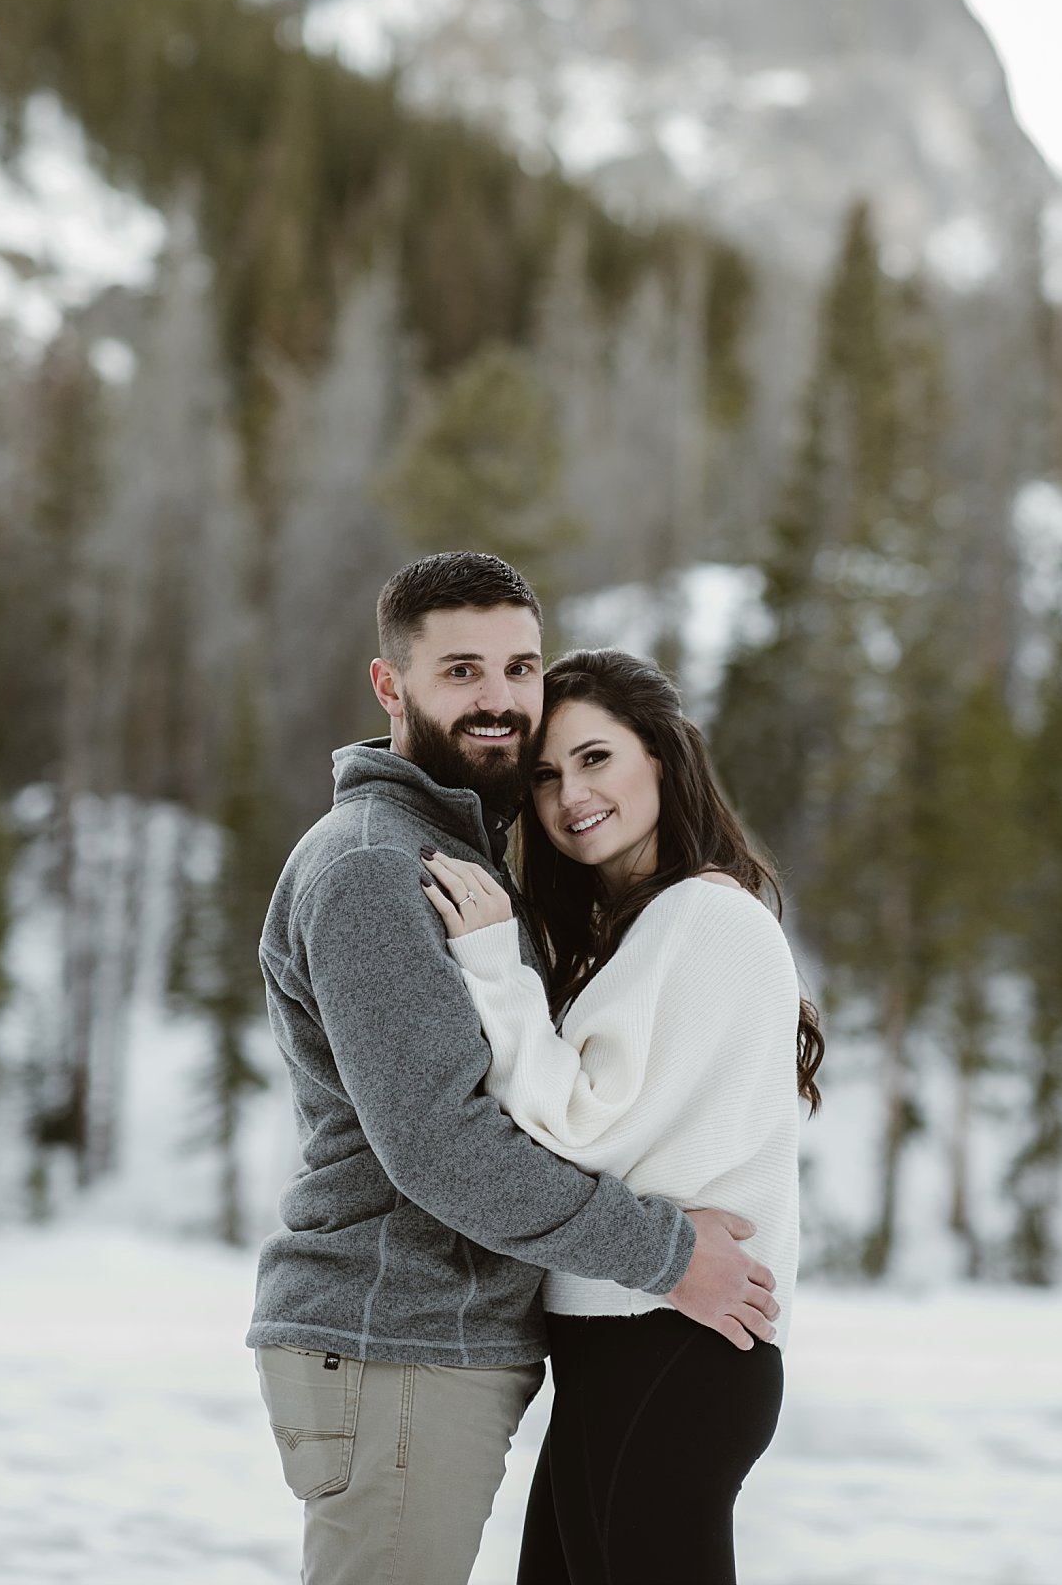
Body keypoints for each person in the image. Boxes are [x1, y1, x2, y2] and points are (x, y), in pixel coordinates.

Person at [248, 553, 780, 1585]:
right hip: (393, 1335)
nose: (498, 698)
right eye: (460, 670)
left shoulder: (455, 854)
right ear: (389, 685)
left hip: (435, 1341)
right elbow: (440, 1145)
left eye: (518, 666)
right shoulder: (376, 866)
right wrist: (666, 1251)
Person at [421, 646, 823, 1585]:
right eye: (549, 775)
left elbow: (580, 1129)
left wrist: (491, 967)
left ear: (661, 756)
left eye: (596, 758)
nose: (569, 797)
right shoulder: (636, 934)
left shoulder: (704, 919)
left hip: (676, 1342)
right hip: (618, 1341)